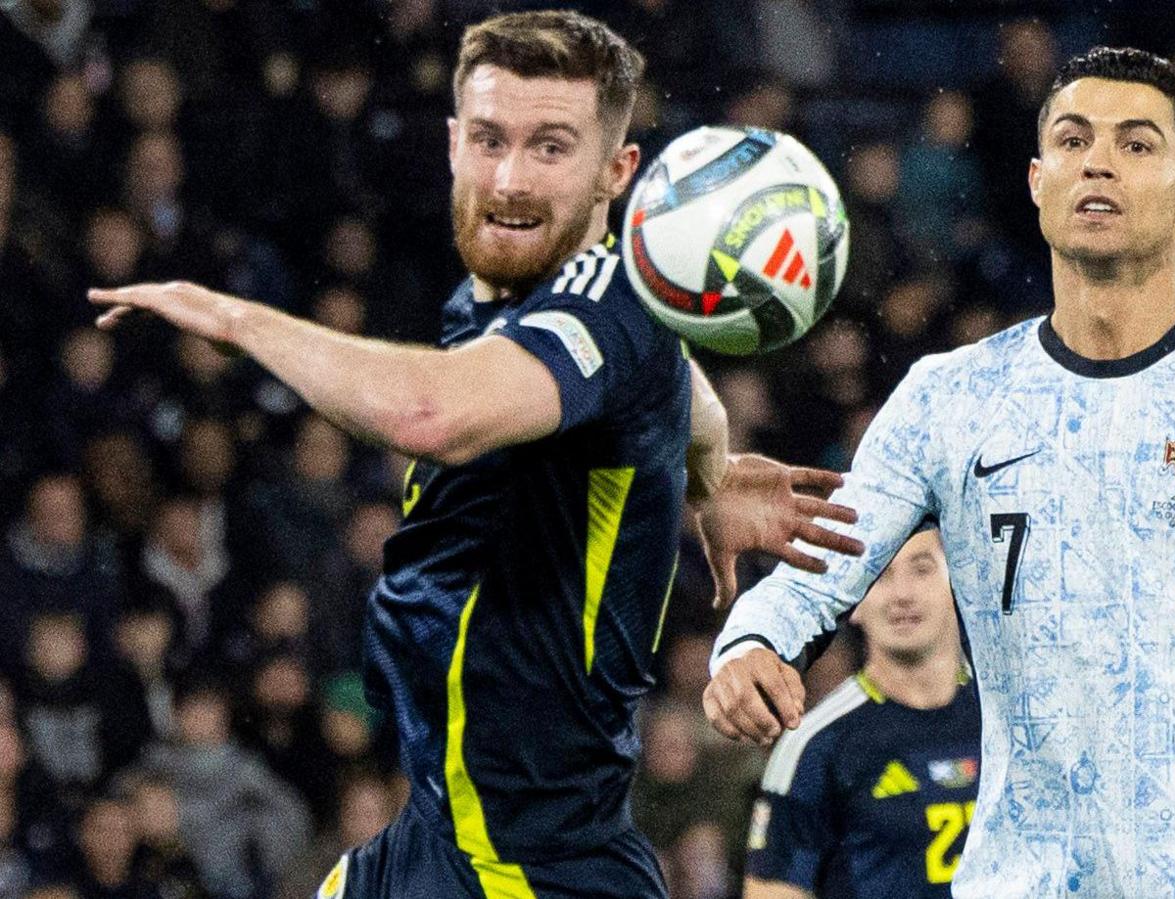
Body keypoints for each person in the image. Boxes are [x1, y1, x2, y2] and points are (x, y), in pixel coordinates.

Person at [88, 10, 861, 899]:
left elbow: (430, 414)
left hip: (536, 865)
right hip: (439, 835)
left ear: (618, 173)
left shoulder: (601, 313)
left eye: (550, 148)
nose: (510, 178)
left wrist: (234, 319)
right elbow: (681, 383)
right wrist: (710, 473)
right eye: (490, 139)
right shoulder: (517, 305)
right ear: (453, 143)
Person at [705, 47, 1175, 898]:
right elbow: (810, 580)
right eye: (1072, 140)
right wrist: (751, 642)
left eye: (1136, 145)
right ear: (1035, 179)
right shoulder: (950, 399)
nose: (1097, 160)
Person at [744, 529, 980, 899]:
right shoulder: (816, 745)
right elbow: (772, 891)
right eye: (881, 574)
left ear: (959, 583)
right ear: (852, 599)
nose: (902, 594)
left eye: (922, 569)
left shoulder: (1007, 718)